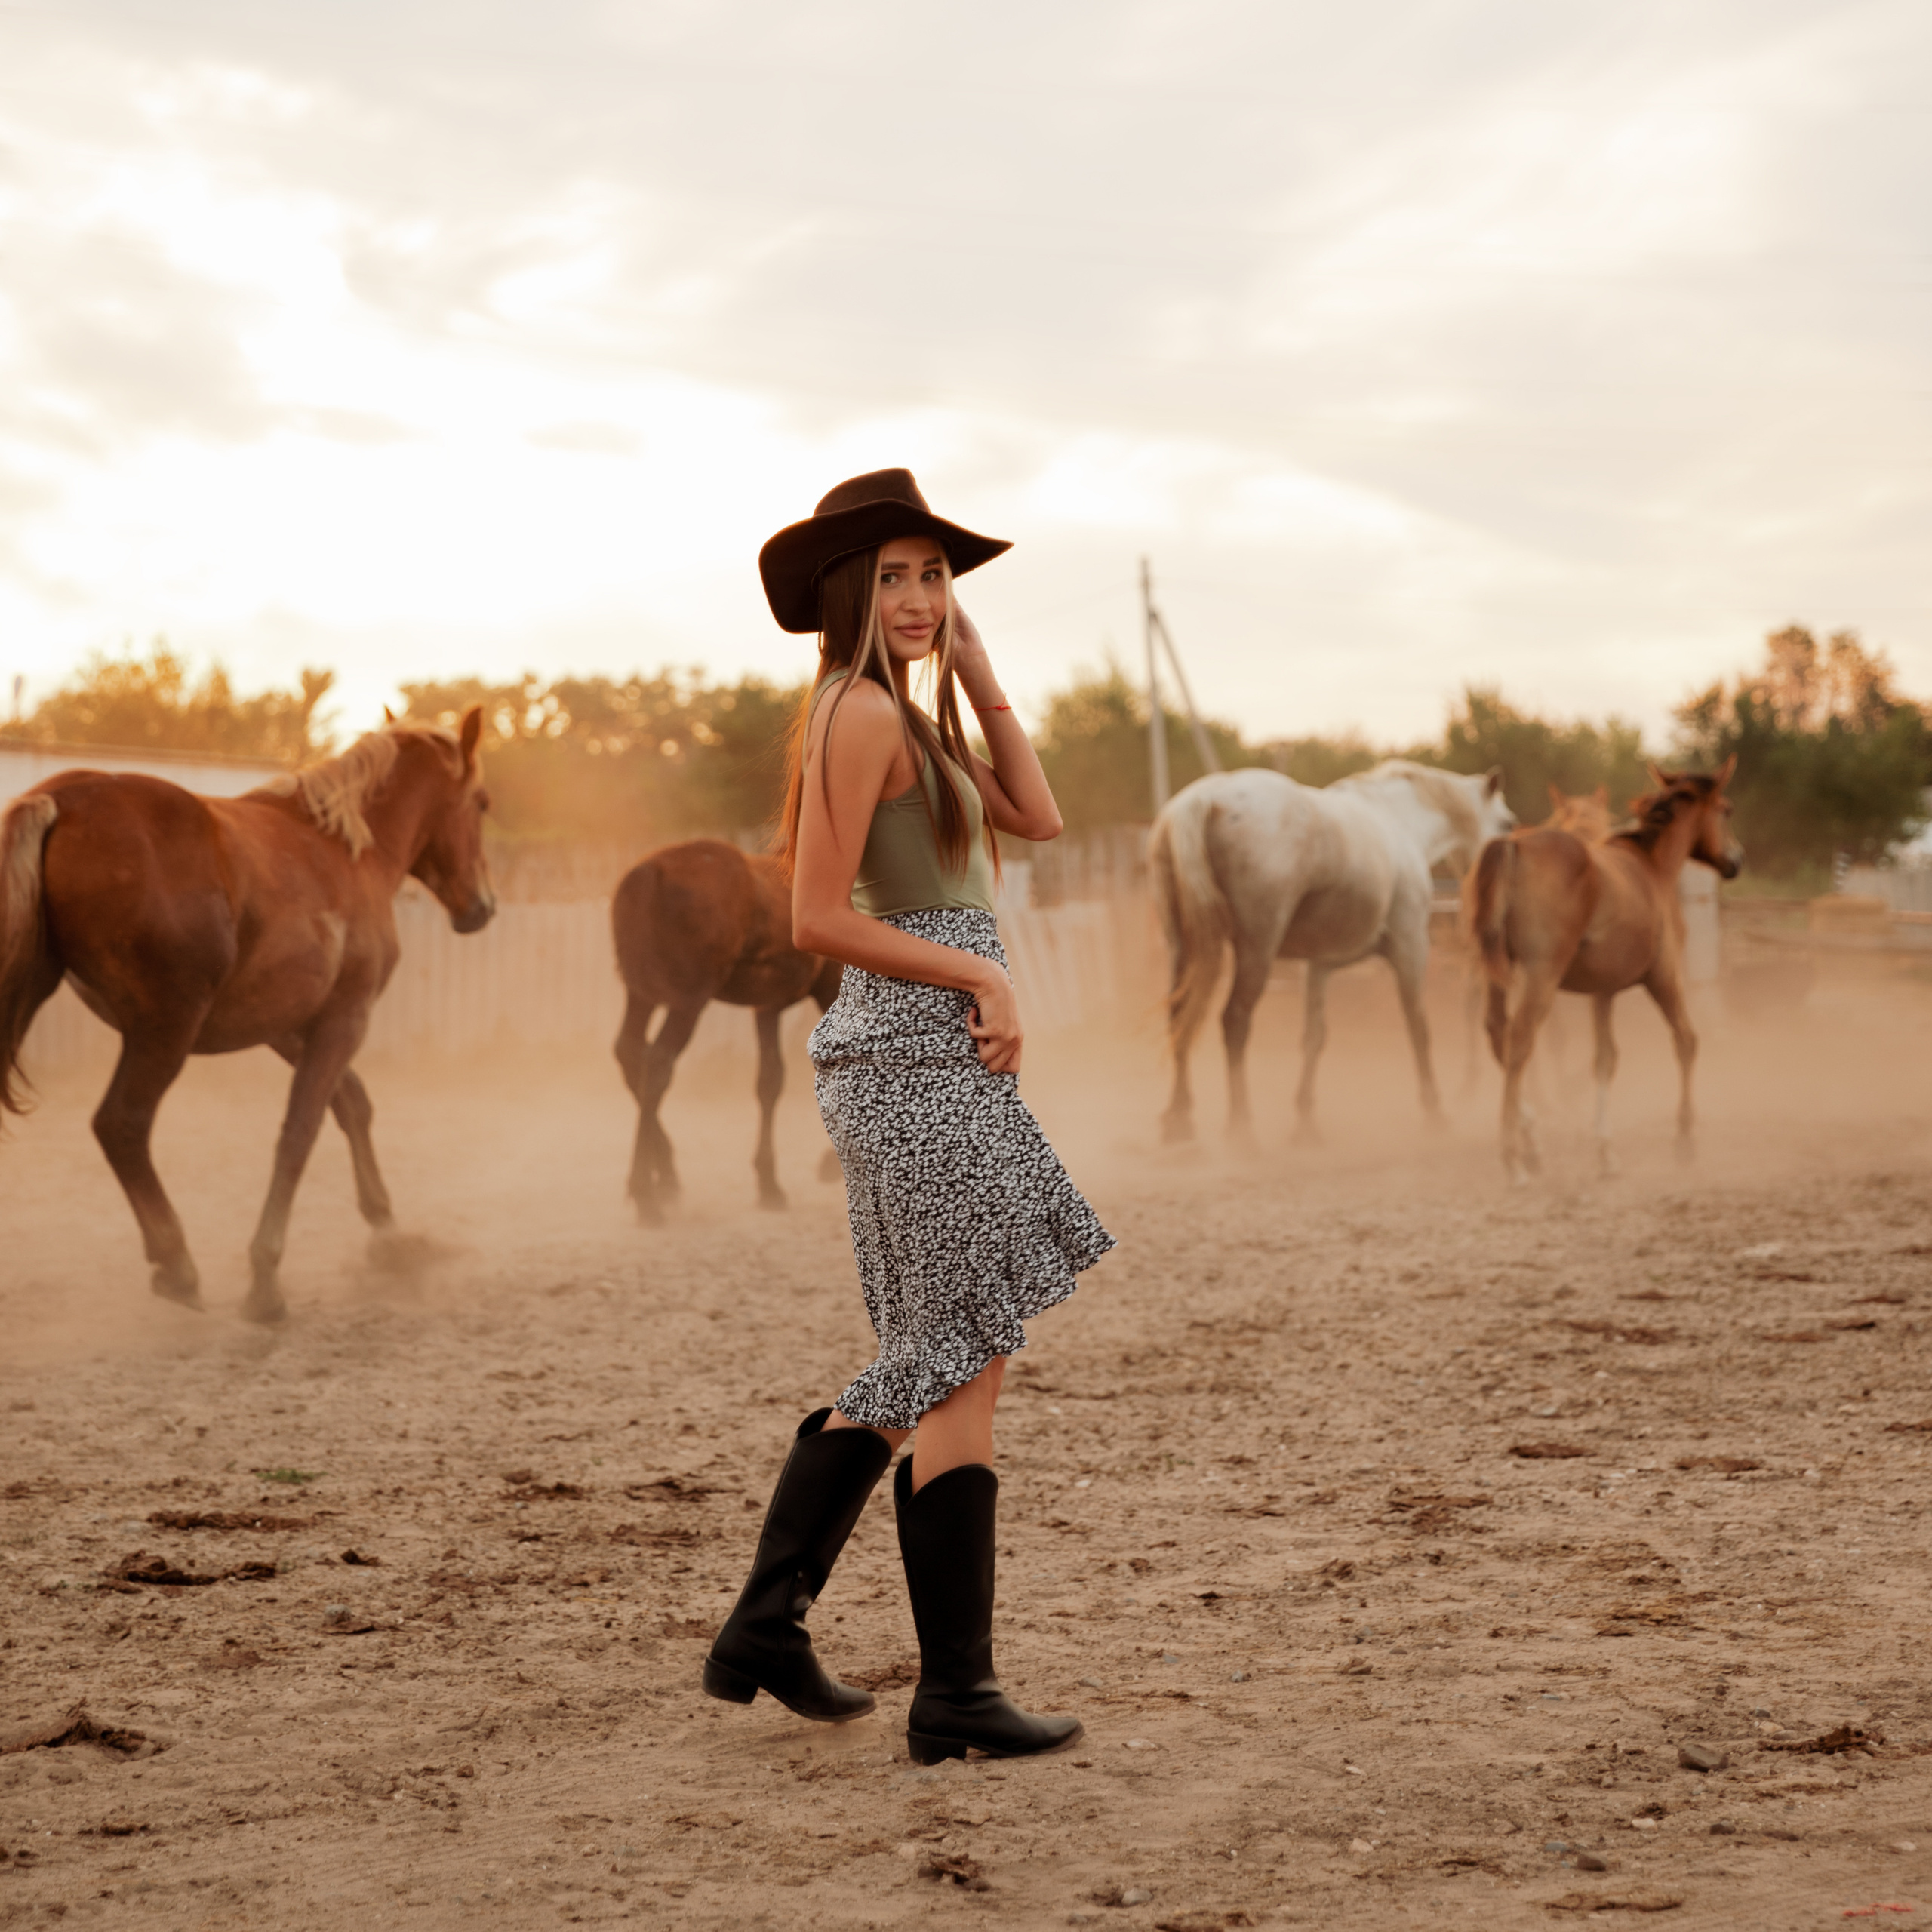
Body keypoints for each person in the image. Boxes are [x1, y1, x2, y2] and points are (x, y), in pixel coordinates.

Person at [701, 469, 1116, 1765]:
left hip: (926, 1053)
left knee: (950, 1346)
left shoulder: (907, 715)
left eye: (935, 574)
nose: (921, 597)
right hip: (903, 1054)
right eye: (893, 576)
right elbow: (815, 919)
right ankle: (950, 1694)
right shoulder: (860, 714)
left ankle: (774, 1628)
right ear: (846, 591)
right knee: (960, 1348)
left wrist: (979, 670)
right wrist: (984, 973)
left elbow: (1038, 819)